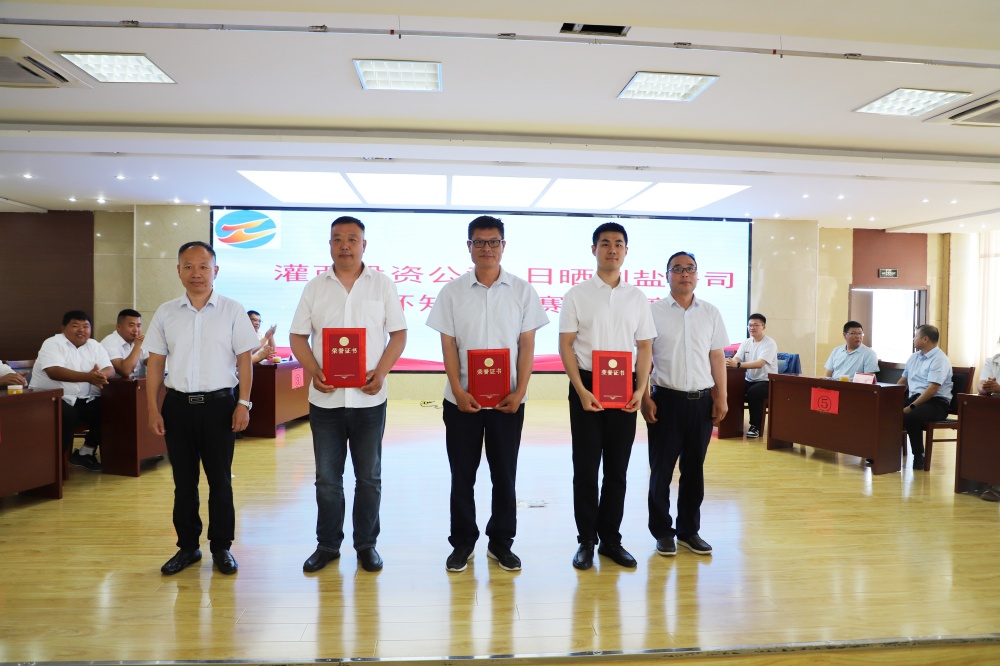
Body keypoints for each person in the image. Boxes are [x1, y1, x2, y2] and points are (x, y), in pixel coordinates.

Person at [426, 215, 549, 573]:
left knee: (504, 476)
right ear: (469, 246)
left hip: (508, 402)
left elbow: (527, 345)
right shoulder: (451, 292)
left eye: (493, 242)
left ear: (503, 246)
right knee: (462, 475)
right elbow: (448, 346)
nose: (486, 248)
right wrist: (458, 390)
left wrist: (520, 390)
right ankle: (463, 542)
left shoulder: (523, 291)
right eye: (479, 242)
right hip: (462, 402)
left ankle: (501, 543)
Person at [289, 216, 407, 574]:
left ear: (363, 245)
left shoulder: (382, 285)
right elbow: (297, 337)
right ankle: (327, 544)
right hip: (325, 401)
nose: (345, 245)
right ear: (329, 244)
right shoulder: (314, 287)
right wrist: (314, 371)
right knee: (327, 479)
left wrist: (381, 372)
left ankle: (366, 545)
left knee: (369, 478)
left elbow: (398, 334)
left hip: (369, 400)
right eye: (338, 239)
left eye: (352, 239)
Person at [145, 241, 260, 576]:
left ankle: (221, 547)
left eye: (203, 266)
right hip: (177, 406)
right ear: (178, 270)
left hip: (219, 406)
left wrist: (243, 403)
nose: (196, 273)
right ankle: (188, 547)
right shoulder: (166, 312)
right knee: (184, 482)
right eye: (188, 266)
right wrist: (153, 409)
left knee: (220, 481)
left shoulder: (232, 310)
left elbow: (245, 361)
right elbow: (156, 364)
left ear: (215, 270)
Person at [559, 222, 655, 571]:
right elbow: (566, 346)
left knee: (617, 469)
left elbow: (645, 347)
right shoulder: (577, 294)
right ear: (594, 250)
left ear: (626, 251)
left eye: (618, 244)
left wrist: (640, 390)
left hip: (624, 388)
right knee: (585, 468)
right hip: (587, 385)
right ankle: (586, 540)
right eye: (604, 243)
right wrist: (580, 389)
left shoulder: (637, 297)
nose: (611, 249)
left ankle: (611, 540)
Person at [642, 251, 728, 558]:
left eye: (690, 268)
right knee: (661, 471)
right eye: (677, 269)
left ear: (697, 275)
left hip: (701, 403)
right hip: (666, 401)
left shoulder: (710, 312)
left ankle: (689, 531)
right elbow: (643, 357)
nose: (684, 274)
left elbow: (716, 355)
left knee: (694, 471)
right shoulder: (652, 312)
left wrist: (721, 395)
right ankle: (663, 532)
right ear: (666, 275)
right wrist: (644, 397)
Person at [28, 310, 114, 471]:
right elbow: (54, 371)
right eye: (75, 326)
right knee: (68, 414)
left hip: (80, 400)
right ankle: (54, 465)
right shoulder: (53, 343)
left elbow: (110, 369)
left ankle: (85, 452)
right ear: (63, 328)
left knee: (112, 408)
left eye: (86, 326)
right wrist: (89, 377)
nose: (81, 330)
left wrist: (100, 376)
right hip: (49, 400)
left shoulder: (94, 345)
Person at [897, 324, 953, 471]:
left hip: (937, 402)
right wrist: (890, 396)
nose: (913, 339)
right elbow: (903, 381)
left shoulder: (939, 359)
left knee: (911, 416)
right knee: (885, 410)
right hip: (915, 397)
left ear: (925, 339)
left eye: (916, 336)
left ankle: (918, 456)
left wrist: (911, 407)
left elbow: (933, 389)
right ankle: (882, 453)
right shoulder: (914, 357)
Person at [725, 313, 777, 438]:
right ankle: (731, 425)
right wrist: (731, 362)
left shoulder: (769, 343)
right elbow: (737, 358)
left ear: (763, 327)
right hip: (749, 380)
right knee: (732, 389)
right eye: (750, 325)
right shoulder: (746, 342)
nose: (752, 328)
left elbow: (760, 363)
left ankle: (755, 427)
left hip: (767, 381)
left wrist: (738, 365)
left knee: (754, 392)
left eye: (755, 325)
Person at [978, 338, 1000, 501]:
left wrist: (999, 388)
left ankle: (995, 486)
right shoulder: (992, 361)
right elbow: (980, 385)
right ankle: (982, 479)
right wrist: (985, 387)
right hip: (994, 409)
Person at [100, 308, 149, 378]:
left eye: (138, 326)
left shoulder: (139, 341)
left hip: (135, 383)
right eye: (131, 325)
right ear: (118, 327)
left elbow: (154, 365)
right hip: (115, 384)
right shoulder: (109, 342)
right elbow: (125, 371)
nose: (136, 330)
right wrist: (138, 346)